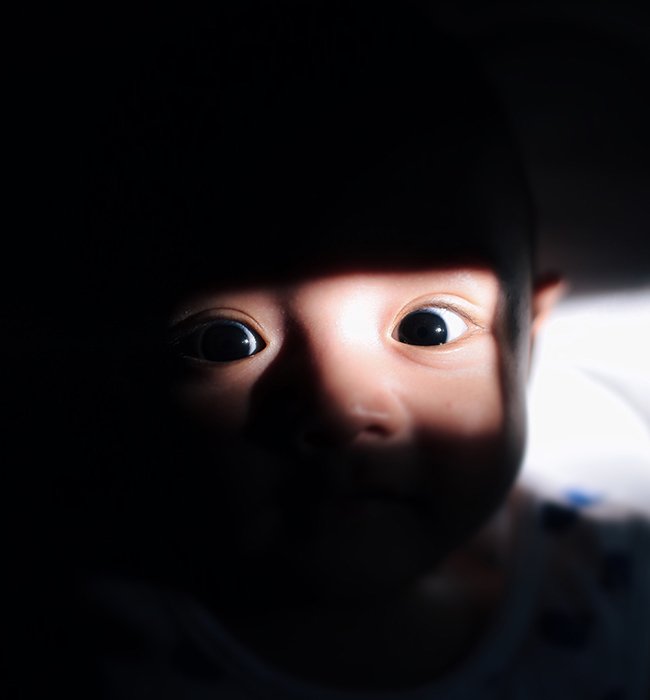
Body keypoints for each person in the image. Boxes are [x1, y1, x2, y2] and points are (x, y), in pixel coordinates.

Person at [38, 1, 649, 697]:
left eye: (427, 328)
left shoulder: (607, 569)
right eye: (226, 341)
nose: (339, 409)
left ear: (527, 343)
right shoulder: (91, 644)